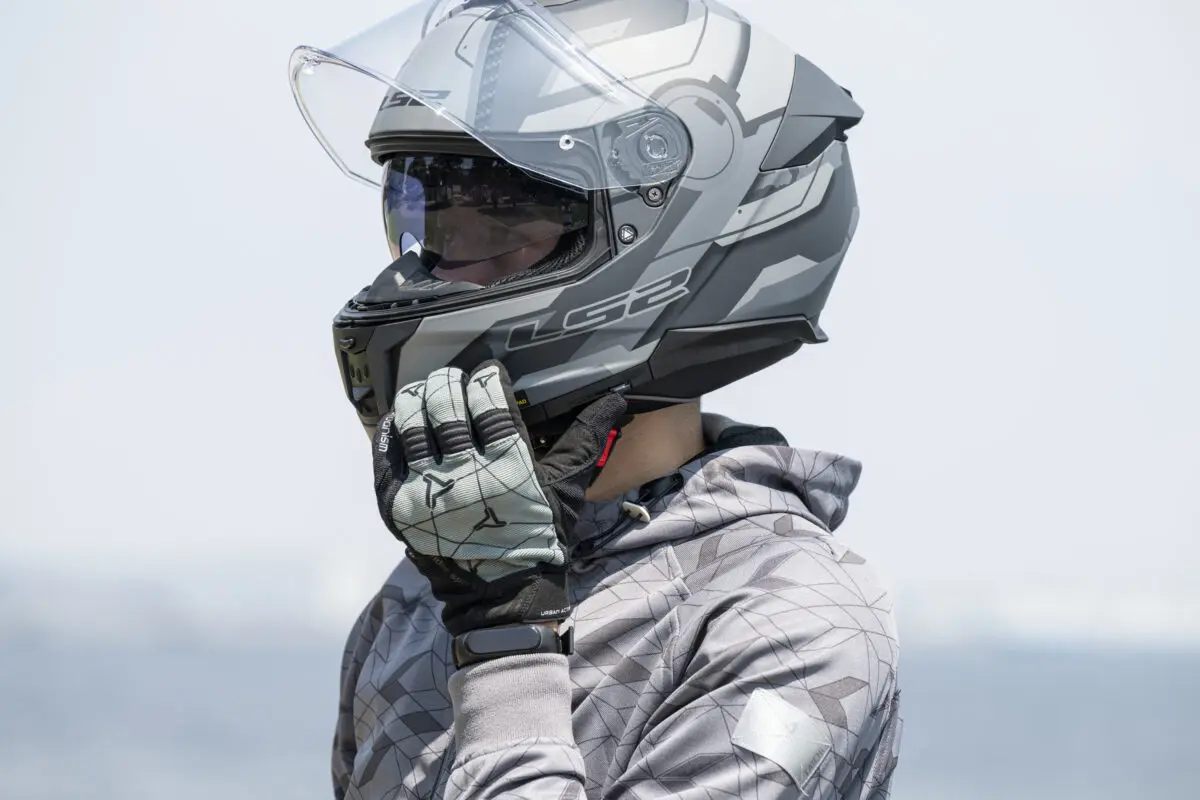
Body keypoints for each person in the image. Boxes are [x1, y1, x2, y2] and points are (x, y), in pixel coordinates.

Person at [289, 1, 902, 797]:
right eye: (432, 229)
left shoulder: (791, 618)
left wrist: (508, 641)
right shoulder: (424, 594)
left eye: (501, 230)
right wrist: (490, 596)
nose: (435, 277)